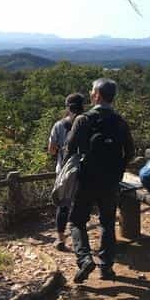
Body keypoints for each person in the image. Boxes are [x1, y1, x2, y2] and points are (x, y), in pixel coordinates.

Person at [65, 78, 135, 283]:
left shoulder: (83, 119)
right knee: (107, 222)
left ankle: (85, 258)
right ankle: (106, 267)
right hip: (110, 182)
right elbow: (129, 152)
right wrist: (117, 169)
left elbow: (69, 148)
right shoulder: (120, 122)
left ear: (97, 95)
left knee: (77, 221)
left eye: (92, 91)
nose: (90, 93)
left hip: (86, 179)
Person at [47, 93, 85, 251]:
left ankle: (61, 239)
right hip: (83, 169)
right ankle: (82, 244)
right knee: (81, 205)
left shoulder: (59, 125)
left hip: (64, 170)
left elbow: (51, 150)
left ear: (67, 107)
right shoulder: (87, 122)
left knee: (63, 205)